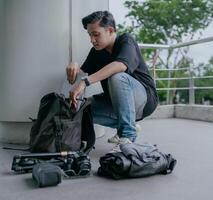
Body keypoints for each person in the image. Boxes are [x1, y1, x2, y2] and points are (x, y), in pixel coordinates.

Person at [66, 11, 158, 152]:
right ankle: (129, 125)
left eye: (96, 34)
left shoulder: (126, 41)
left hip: (144, 100)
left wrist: (85, 82)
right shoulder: (96, 52)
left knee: (117, 75)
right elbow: (82, 74)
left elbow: (120, 65)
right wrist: (74, 65)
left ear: (110, 30)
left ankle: (127, 136)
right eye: (90, 35)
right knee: (83, 109)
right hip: (115, 103)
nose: (92, 40)